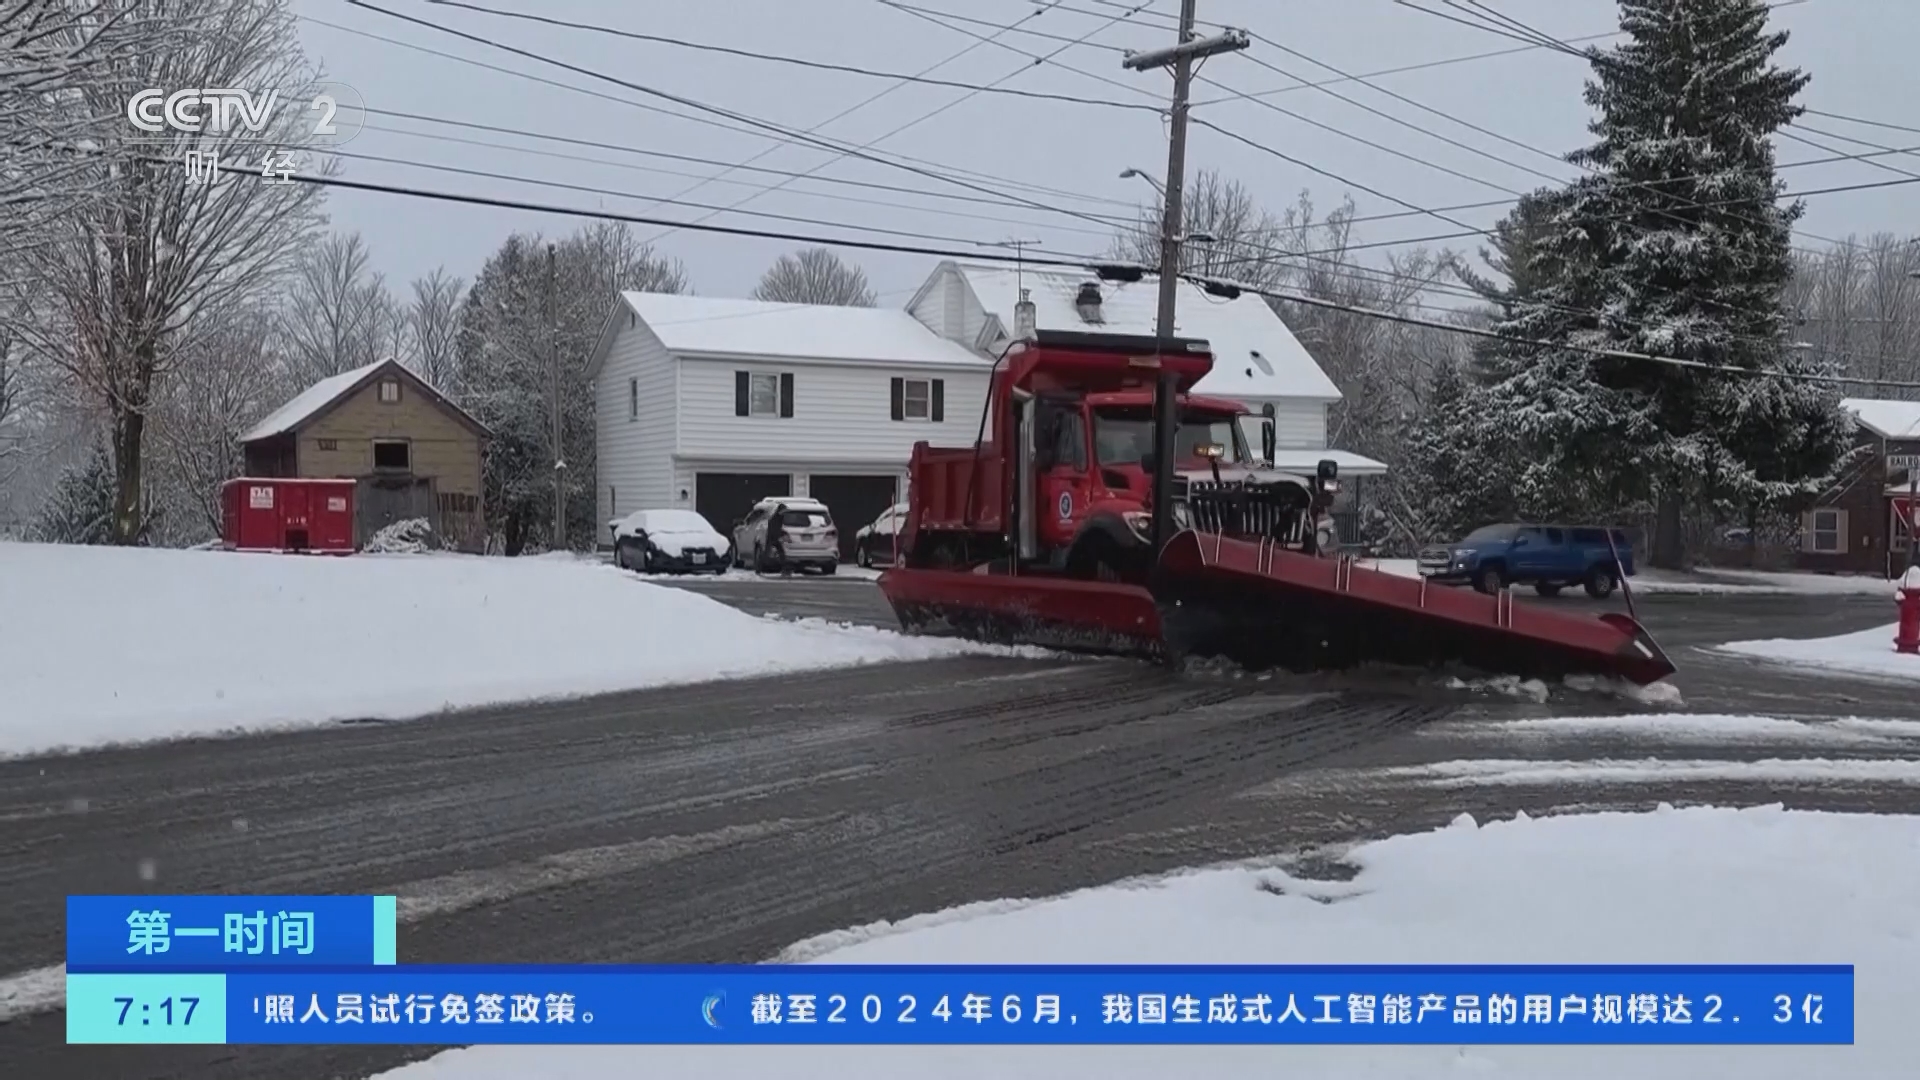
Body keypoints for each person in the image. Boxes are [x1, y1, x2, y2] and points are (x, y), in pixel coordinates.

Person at [762, 502, 789, 577]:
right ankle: (761, 568)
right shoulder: (775, 518)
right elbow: (774, 529)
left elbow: (779, 528)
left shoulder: (781, 517)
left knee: (780, 553)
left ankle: (784, 569)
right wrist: (779, 536)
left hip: (776, 537)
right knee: (768, 553)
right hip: (772, 537)